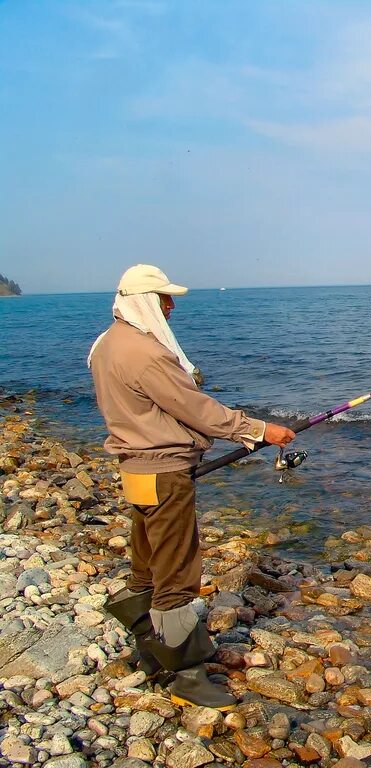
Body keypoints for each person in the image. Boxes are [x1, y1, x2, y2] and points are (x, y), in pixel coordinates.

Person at [88, 264, 296, 710]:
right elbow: (198, 410)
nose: (172, 305)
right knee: (177, 574)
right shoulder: (145, 353)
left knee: (147, 565)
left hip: (137, 472)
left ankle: (149, 650)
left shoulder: (107, 344)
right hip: (165, 475)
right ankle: (187, 674)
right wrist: (261, 430)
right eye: (165, 298)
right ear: (145, 301)